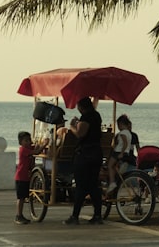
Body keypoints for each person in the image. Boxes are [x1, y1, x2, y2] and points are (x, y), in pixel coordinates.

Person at [64, 96, 103, 225]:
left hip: (85, 155)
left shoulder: (86, 117)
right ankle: (98, 215)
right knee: (93, 186)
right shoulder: (96, 115)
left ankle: (75, 216)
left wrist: (72, 126)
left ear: (81, 107)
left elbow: (80, 133)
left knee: (81, 186)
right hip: (96, 153)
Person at [14, 131, 46, 224]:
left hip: (27, 177)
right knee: (21, 198)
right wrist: (44, 144)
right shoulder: (23, 150)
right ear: (21, 142)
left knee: (24, 197)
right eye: (26, 141)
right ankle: (18, 215)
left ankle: (21, 215)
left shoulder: (28, 148)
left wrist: (39, 143)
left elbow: (36, 148)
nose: (28, 142)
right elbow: (36, 151)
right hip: (21, 177)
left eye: (29, 140)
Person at [106, 114, 134, 196]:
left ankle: (112, 182)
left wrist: (121, 153)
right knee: (115, 167)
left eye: (118, 125)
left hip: (118, 152)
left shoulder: (122, 133)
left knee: (109, 165)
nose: (118, 127)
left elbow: (124, 143)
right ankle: (116, 177)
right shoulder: (129, 133)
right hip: (126, 153)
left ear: (121, 124)